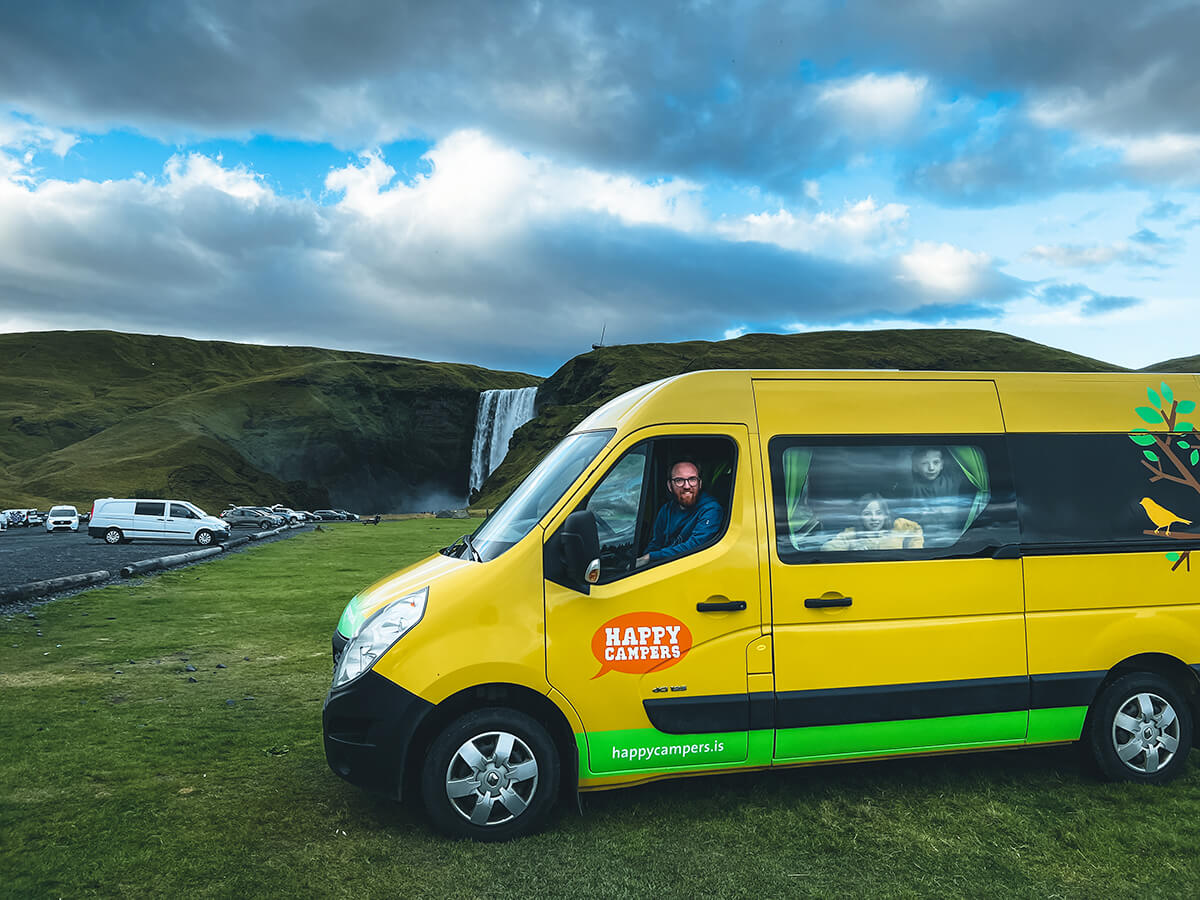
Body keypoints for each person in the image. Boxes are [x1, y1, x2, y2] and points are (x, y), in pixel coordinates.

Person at [636, 458, 723, 566]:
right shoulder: (666, 510)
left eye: (692, 479)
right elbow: (656, 543)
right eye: (679, 480)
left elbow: (695, 545)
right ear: (669, 486)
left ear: (700, 483)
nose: (687, 486)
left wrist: (651, 557)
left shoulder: (711, 509)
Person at [902, 447, 969, 543]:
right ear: (915, 467)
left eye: (936, 462)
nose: (931, 468)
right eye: (925, 463)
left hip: (952, 537)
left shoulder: (952, 481)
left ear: (942, 465)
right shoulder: (911, 487)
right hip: (922, 539)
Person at [822, 493, 923, 552]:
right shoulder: (852, 533)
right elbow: (827, 548)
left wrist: (911, 552)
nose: (874, 518)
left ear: (885, 514)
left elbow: (916, 530)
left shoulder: (899, 525)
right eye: (867, 514)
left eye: (879, 513)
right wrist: (853, 553)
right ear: (860, 517)